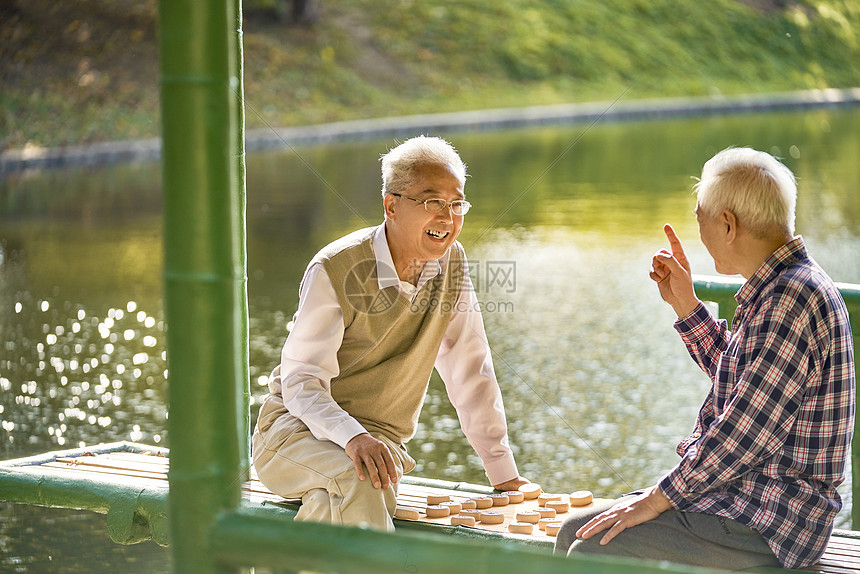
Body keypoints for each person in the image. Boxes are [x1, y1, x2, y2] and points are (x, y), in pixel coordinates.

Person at [555, 147, 855, 570]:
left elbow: (744, 433)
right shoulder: (778, 287)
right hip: (741, 501)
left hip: (771, 521)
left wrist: (659, 498)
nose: (699, 232)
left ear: (728, 224)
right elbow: (743, 386)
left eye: (700, 218)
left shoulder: (791, 298)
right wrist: (687, 308)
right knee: (574, 531)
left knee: (593, 550)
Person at [252, 135, 529, 532]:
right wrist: (353, 438)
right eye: (433, 202)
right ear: (391, 206)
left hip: (380, 447)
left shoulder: (452, 263)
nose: (448, 218)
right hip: (293, 436)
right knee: (359, 480)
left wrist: (503, 473)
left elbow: (470, 368)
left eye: (457, 204)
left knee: (343, 493)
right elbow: (301, 383)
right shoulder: (334, 268)